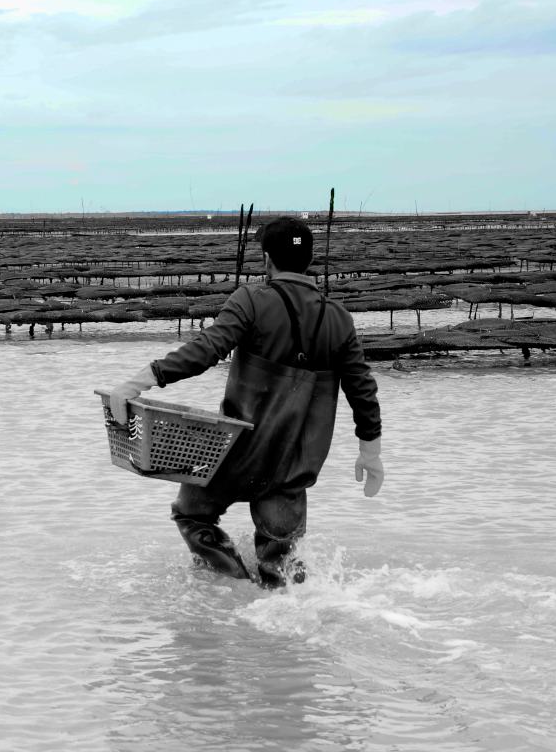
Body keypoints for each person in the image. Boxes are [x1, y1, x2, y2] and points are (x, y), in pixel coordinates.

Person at [107, 217, 383, 588]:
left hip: (235, 454)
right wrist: (370, 452)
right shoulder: (339, 319)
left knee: (191, 515)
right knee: (282, 565)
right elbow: (362, 390)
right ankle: (274, 628)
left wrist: (136, 383)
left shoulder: (251, 300)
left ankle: (233, 587)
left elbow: (206, 350)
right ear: (310, 261)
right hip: (293, 465)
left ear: (267, 259)